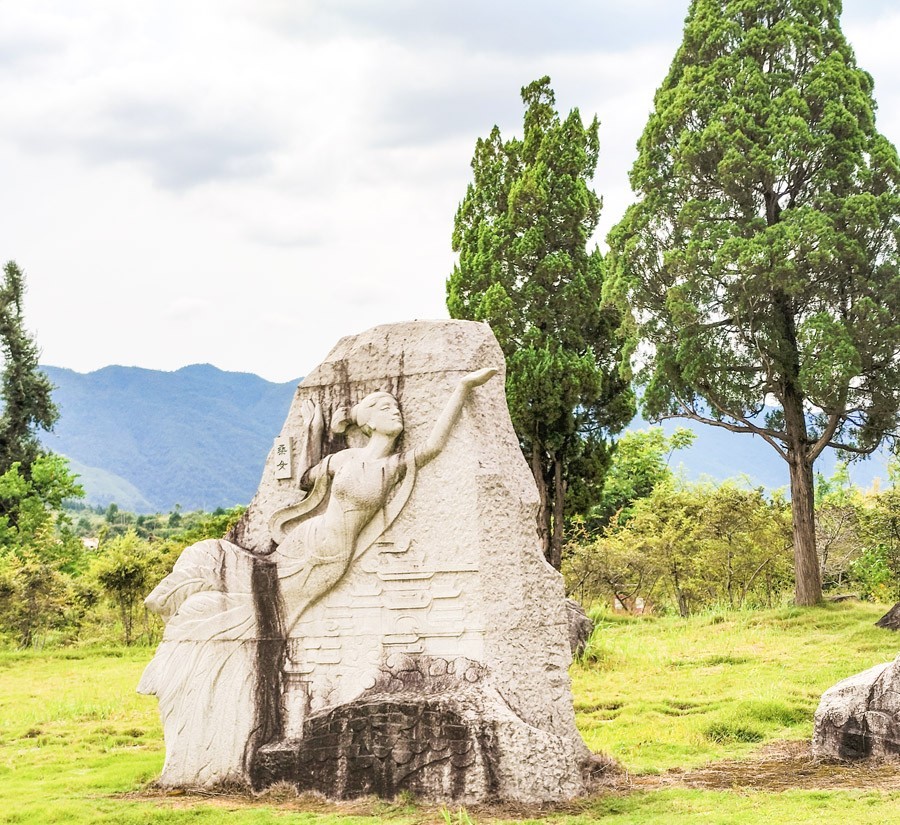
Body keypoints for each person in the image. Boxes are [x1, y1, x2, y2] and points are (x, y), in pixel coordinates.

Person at [138, 367, 497, 787]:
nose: (395, 412)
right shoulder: (344, 459)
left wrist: (461, 387)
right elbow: (305, 477)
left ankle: (201, 630)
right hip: (302, 541)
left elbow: (435, 444)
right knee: (225, 567)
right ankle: (180, 603)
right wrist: (312, 429)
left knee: (258, 611)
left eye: (397, 406)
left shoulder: (396, 466)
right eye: (384, 407)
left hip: (329, 559)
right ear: (367, 423)